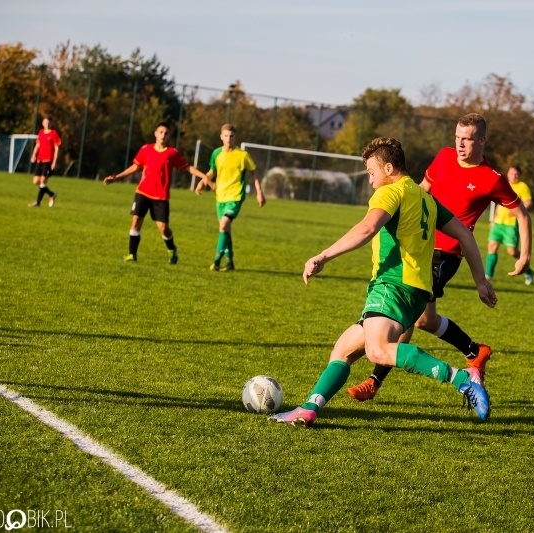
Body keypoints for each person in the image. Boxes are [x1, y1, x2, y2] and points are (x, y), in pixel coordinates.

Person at [269, 137, 496, 427]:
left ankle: (461, 379)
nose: (370, 179)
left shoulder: (390, 192)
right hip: (417, 291)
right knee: (343, 350)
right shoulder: (425, 198)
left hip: (392, 285)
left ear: (389, 168)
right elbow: (465, 234)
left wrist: (323, 256)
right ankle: (309, 408)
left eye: (371, 171)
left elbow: (367, 228)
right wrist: (480, 281)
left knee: (378, 350)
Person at [347, 113, 532, 402]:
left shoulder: (491, 178)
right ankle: (475, 350)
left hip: (446, 254)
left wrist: (524, 256)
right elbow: (420, 192)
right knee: (425, 320)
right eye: (457, 137)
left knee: (408, 314)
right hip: (419, 246)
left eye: (467, 139)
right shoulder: (444, 157)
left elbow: (522, 214)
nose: (460, 144)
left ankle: (375, 379)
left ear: (482, 140)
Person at [103, 122, 210, 264]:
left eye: (166, 133)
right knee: (136, 221)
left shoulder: (172, 153)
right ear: (155, 133)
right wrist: (116, 177)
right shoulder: (146, 149)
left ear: (169, 136)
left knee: (163, 228)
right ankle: (132, 254)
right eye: (161, 132)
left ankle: (172, 249)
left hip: (160, 196)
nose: (163, 135)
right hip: (142, 192)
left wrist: (203, 176)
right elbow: (135, 167)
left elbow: (187, 167)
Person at [195, 124, 265, 271]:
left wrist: (259, 192)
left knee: (224, 225)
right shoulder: (216, 153)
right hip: (220, 196)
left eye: (231, 136)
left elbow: (254, 173)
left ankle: (216, 261)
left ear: (235, 137)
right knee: (225, 230)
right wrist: (202, 182)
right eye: (226, 136)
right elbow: (212, 171)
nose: (228, 139)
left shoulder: (243, 155)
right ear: (221, 137)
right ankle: (230, 261)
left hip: (235, 196)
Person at [485, 165, 534, 285]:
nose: (514, 176)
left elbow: (528, 202)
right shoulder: (504, 184)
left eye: (516, 174)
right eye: (512, 173)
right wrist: (493, 219)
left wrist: (518, 212)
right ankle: (488, 276)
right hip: (498, 223)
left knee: (512, 251)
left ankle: (528, 271)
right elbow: (498, 204)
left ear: (519, 175)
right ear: (507, 173)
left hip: (511, 225)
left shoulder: (522, 186)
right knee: (492, 247)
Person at [28, 117, 61, 208]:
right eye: (45, 122)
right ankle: (52, 194)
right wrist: (33, 155)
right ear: (42, 123)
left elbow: (56, 148)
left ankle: (38, 203)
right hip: (40, 160)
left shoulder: (54, 133)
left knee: (43, 182)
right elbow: (38, 145)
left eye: (48, 122)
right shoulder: (41, 132)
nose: (46, 123)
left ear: (50, 123)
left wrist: (54, 162)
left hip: (48, 161)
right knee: (35, 181)